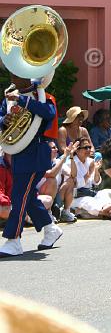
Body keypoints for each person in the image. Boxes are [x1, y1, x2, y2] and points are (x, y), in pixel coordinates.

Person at [0, 78, 63, 257]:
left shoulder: (43, 96)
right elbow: (1, 118)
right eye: (13, 73)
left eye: (19, 74)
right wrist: (5, 119)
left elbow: (49, 113)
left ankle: (13, 240)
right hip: (19, 153)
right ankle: (51, 229)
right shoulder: (9, 97)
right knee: (27, 196)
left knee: (19, 196)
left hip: (36, 153)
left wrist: (23, 100)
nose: (15, 77)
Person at [69, 138, 111, 219]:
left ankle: (108, 209)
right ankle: (106, 212)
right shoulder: (72, 163)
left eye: (89, 147)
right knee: (87, 202)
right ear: (77, 150)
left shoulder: (90, 161)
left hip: (91, 192)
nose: (89, 149)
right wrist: (89, 172)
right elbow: (78, 184)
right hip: (77, 196)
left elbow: (96, 182)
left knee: (106, 192)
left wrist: (96, 170)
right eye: (85, 147)